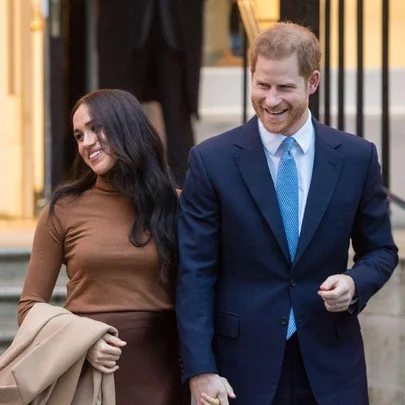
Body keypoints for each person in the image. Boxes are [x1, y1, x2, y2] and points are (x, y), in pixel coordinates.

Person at [176, 22, 398, 405]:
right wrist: (200, 369)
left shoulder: (357, 157)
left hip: (332, 368)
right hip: (240, 370)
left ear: (312, 82)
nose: (270, 99)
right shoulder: (211, 161)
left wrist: (354, 284)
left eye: (284, 88)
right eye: (262, 85)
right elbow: (195, 272)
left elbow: (380, 251)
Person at [18, 89, 188, 405]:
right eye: (79, 136)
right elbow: (29, 307)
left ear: (127, 126)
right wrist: (82, 343)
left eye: (95, 128)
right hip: (86, 377)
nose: (86, 143)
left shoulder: (177, 204)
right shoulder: (63, 209)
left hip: (161, 375)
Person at [97, 0, 204, 186]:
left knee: (179, 125)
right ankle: (118, 189)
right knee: (117, 118)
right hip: (123, 29)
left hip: (176, 31)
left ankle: (187, 196)